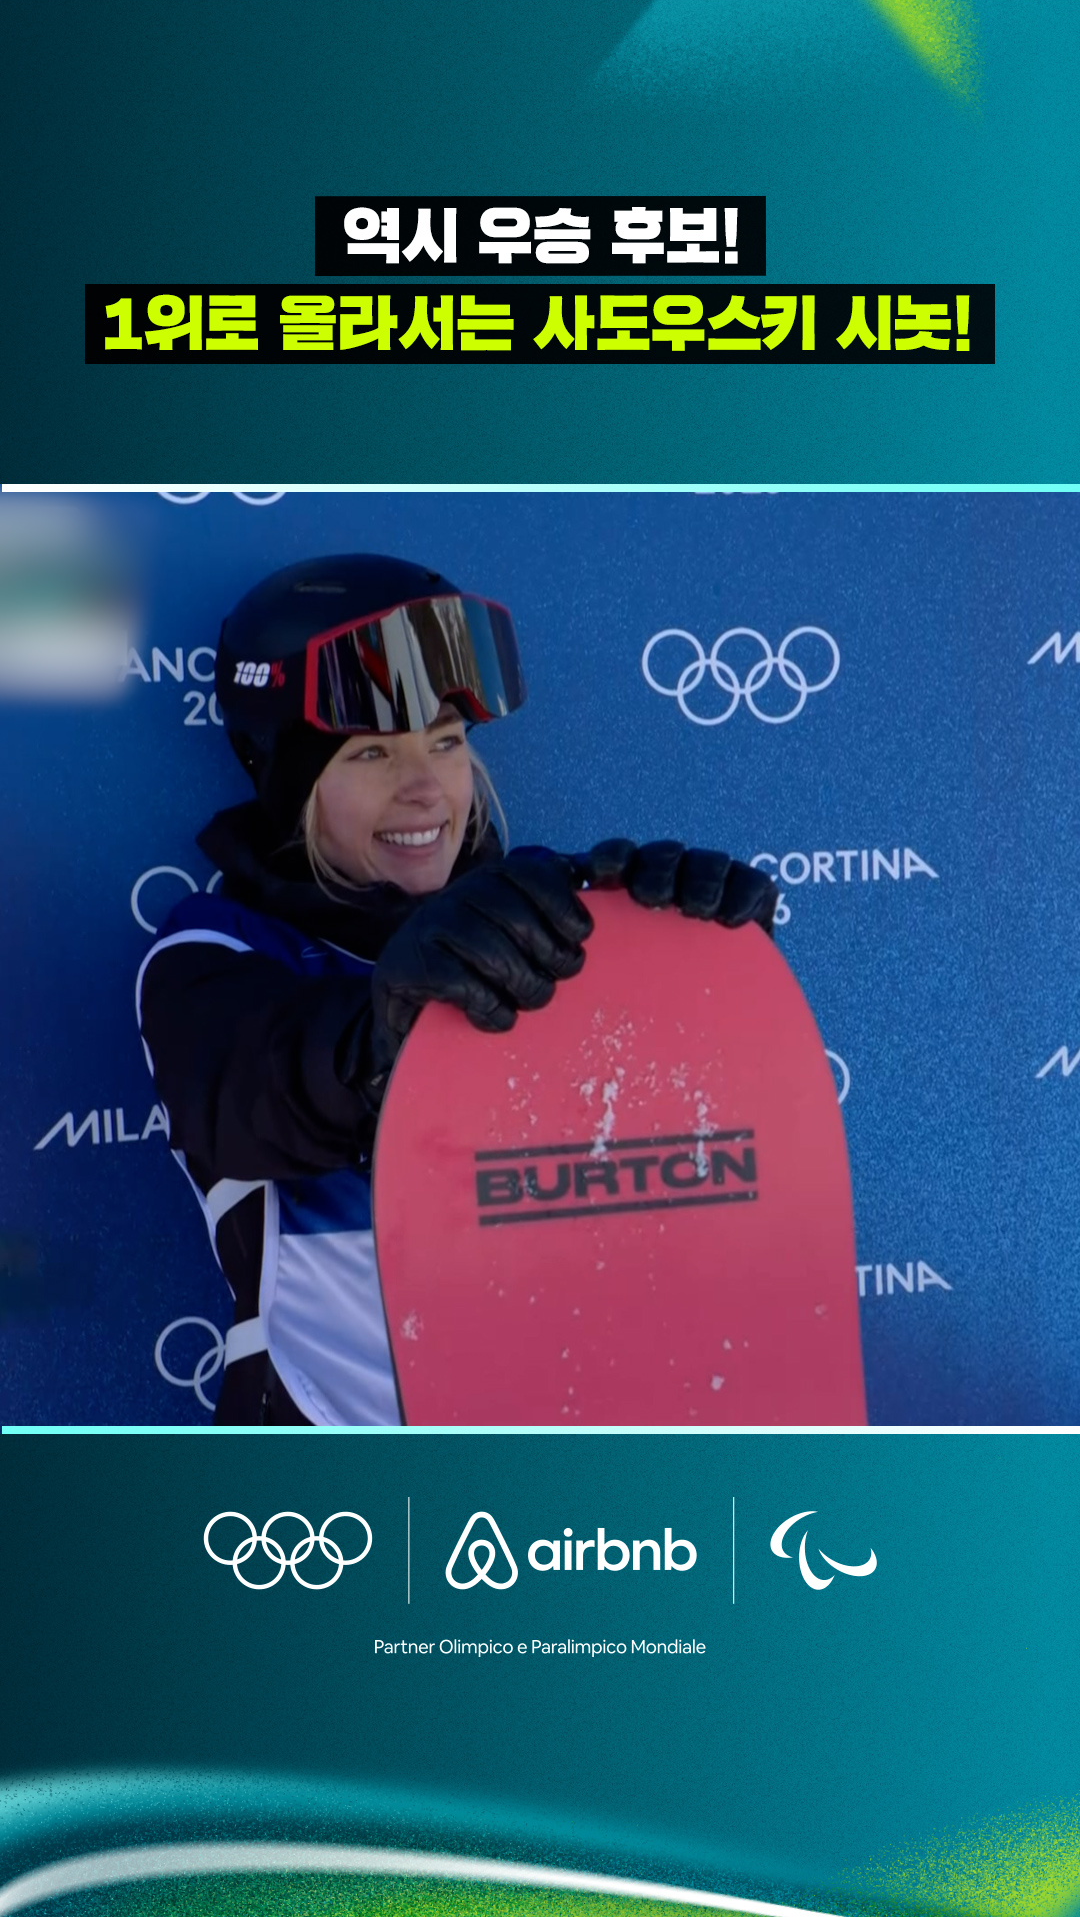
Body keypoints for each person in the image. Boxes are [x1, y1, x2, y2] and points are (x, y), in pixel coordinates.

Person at [137, 553, 779, 1426]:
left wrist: (698, 971)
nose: (424, 789)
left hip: (565, 1437)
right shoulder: (216, 950)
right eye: (371, 752)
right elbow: (261, 1090)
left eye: (445, 741)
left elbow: (675, 1133)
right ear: (289, 780)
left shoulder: (554, 914)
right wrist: (383, 1037)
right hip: (335, 1448)